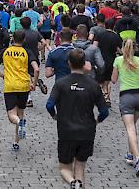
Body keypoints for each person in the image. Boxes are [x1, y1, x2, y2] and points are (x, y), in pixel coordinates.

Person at [46, 48, 108, 189]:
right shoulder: (93, 85)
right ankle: (78, 183)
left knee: (64, 169)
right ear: (84, 63)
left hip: (66, 131)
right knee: (80, 168)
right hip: (87, 132)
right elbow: (104, 111)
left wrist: (54, 116)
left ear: (69, 63)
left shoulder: (61, 83)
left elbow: (49, 105)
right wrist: (97, 121)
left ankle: (73, 183)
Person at [111, 39, 139, 177]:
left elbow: (113, 80)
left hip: (126, 97)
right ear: (135, 48)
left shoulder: (118, 60)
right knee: (133, 127)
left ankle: (138, 157)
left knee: (130, 129)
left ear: (123, 48)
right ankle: (130, 154)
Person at [0, 30, 39, 151]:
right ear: (24, 40)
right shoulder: (27, 52)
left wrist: (3, 76)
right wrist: (33, 84)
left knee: (12, 115)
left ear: (12, 39)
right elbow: (36, 69)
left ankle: (19, 123)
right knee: (21, 113)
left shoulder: (5, 51)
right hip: (24, 86)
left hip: (10, 86)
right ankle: (16, 142)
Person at [93, 18, 122, 105]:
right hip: (111, 60)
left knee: (99, 80)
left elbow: (94, 47)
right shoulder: (116, 36)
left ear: (105, 25)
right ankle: (107, 98)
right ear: (113, 26)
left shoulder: (99, 34)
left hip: (100, 60)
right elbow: (121, 51)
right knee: (107, 81)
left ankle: (99, 98)